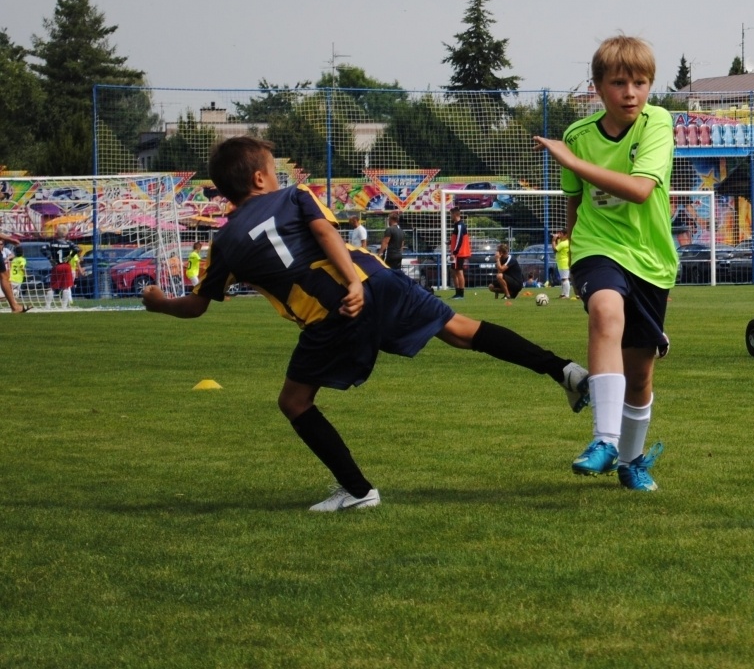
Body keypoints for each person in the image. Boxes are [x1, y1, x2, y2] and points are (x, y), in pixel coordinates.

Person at [140, 135, 591, 512]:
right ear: (259, 178)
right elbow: (325, 232)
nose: (279, 178)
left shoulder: (225, 243)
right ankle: (564, 370)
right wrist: (356, 278)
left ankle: (357, 491)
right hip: (380, 281)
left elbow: (197, 305)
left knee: (294, 402)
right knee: (461, 330)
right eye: (275, 171)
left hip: (333, 314)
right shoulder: (296, 196)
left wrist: (159, 302)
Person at [535, 35, 677, 493]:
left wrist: (570, 160)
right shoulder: (578, 136)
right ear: (597, 87)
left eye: (640, 83)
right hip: (596, 248)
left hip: (650, 259)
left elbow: (639, 190)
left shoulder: (658, 122)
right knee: (604, 311)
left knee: (640, 375)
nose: (630, 93)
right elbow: (575, 202)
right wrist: (574, 250)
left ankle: (631, 462)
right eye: (619, 83)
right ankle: (604, 439)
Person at [448, 208, 470, 298]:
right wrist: (450, 242)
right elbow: (456, 238)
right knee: (453, 271)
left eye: (451, 214)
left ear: (455, 214)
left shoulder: (460, 225)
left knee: (459, 271)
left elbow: (460, 240)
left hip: (459, 253)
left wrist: (454, 253)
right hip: (457, 252)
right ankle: (457, 292)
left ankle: (461, 294)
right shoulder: (456, 225)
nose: (450, 216)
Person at [553, 230, 573, 299]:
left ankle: (566, 295)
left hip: (564, 263)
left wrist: (553, 241)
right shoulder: (564, 242)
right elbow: (558, 242)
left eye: (561, 234)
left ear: (565, 235)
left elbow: (555, 249)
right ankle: (563, 293)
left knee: (565, 279)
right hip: (562, 262)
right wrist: (556, 238)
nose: (559, 235)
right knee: (563, 279)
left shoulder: (563, 243)